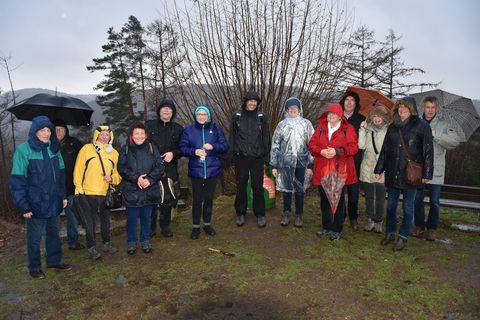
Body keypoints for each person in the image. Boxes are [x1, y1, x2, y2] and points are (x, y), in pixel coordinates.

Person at [9, 116, 71, 279]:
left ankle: (54, 261)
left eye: (49, 130)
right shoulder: (24, 150)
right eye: (42, 130)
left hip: (54, 201)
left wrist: (63, 195)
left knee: (53, 234)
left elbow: (61, 174)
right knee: (34, 239)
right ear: (35, 131)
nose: (46, 133)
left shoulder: (54, 148)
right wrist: (23, 205)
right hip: (35, 203)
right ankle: (34, 267)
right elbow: (17, 179)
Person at [374, 97, 433, 251]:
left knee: (408, 208)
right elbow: (385, 150)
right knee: (391, 206)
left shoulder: (422, 126)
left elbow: (428, 151)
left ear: (412, 109)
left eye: (405, 107)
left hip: (410, 174)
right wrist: (379, 169)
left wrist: (427, 173)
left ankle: (403, 237)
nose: (401, 109)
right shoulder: (393, 126)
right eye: (399, 107)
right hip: (393, 172)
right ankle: (390, 233)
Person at [308, 103, 358, 241]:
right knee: (324, 200)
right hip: (323, 169)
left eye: (333, 114)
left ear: (340, 115)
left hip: (340, 170)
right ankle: (326, 226)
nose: (330, 116)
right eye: (328, 114)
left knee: (338, 201)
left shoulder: (348, 129)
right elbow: (311, 145)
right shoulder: (320, 128)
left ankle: (337, 229)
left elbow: (353, 148)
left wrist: (337, 151)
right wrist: (321, 151)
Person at [413, 96, 460, 241]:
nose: (430, 110)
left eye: (433, 107)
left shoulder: (444, 125)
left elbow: (455, 141)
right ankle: (419, 226)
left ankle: (432, 229)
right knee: (417, 200)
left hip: (436, 170)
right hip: (419, 169)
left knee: (434, 202)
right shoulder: (416, 123)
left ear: (437, 108)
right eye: (428, 107)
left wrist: (437, 135)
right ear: (423, 108)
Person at [179, 105, 229, 239]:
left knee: (208, 199)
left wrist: (213, 146)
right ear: (195, 116)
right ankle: (195, 227)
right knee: (197, 200)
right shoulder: (189, 130)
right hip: (196, 172)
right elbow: (182, 148)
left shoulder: (215, 128)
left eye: (204, 114)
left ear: (209, 116)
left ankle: (207, 224)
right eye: (199, 114)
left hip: (212, 171)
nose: (201, 117)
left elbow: (225, 146)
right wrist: (194, 151)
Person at [73, 125, 121, 260]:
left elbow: (118, 174)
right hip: (88, 193)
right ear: (96, 136)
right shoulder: (87, 149)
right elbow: (78, 170)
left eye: (107, 134)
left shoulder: (114, 153)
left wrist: (112, 178)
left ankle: (106, 243)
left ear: (111, 136)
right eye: (102, 134)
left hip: (106, 193)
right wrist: (79, 190)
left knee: (105, 221)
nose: (104, 137)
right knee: (90, 222)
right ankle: (91, 247)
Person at [118, 122, 164, 254]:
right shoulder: (125, 149)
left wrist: (149, 180)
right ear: (132, 135)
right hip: (132, 190)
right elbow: (121, 168)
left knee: (147, 218)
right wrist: (136, 178)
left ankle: (145, 240)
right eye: (136, 133)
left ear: (146, 135)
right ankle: (131, 242)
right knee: (131, 219)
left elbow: (159, 167)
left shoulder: (152, 147)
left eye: (142, 133)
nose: (139, 136)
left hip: (149, 190)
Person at [270, 97, 314, 227]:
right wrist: (274, 164)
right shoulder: (282, 125)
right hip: (285, 163)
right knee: (287, 189)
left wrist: (311, 164)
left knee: (300, 189)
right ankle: (286, 213)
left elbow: (313, 145)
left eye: (295, 108)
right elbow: (275, 145)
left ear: (299, 109)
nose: (293, 110)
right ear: (286, 110)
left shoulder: (306, 124)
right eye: (290, 108)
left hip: (302, 163)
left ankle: (299, 214)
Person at [229, 91, 271, 228]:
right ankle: (240, 213)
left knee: (257, 186)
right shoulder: (237, 116)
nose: (252, 103)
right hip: (241, 158)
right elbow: (232, 138)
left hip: (257, 158)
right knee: (241, 186)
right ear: (245, 102)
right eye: (250, 101)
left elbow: (266, 137)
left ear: (258, 103)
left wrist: (266, 156)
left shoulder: (261, 117)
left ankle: (260, 214)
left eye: (255, 101)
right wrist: (233, 154)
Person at [146, 99, 184, 238]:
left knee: (167, 198)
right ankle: (150, 228)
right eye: (164, 108)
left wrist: (173, 153)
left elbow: (183, 148)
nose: (166, 110)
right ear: (159, 111)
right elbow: (140, 143)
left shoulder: (178, 128)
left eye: (169, 109)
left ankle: (165, 226)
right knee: (151, 198)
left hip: (170, 168)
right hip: (151, 168)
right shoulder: (148, 125)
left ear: (172, 112)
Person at [357, 105, 392, 233]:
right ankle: (370, 219)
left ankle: (379, 221)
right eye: (375, 116)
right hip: (368, 166)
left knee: (381, 198)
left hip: (382, 168)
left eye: (379, 116)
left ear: (384, 117)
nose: (377, 119)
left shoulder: (389, 130)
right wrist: (362, 130)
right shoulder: (368, 129)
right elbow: (361, 146)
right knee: (369, 197)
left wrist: (383, 164)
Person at [54, 119, 84, 250]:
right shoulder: (47, 145)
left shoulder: (75, 143)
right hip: (53, 189)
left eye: (61, 129)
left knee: (72, 217)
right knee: (53, 219)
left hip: (70, 187)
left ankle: (73, 241)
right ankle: (54, 243)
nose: (58, 132)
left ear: (66, 130)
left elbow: (84, 162)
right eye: (55, 129)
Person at [339, 92, 366, 231]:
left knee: (354, 192)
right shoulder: (336, 117)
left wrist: (365, 128)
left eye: (352, 100)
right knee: (340, 190)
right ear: (343, 102)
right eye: (347, 100)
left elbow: (364, 142)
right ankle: (341, 215)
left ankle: (353, 217)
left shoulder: (362, 120)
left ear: (356, 104)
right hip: (339, 160)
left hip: (355, 160)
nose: (349, 102)